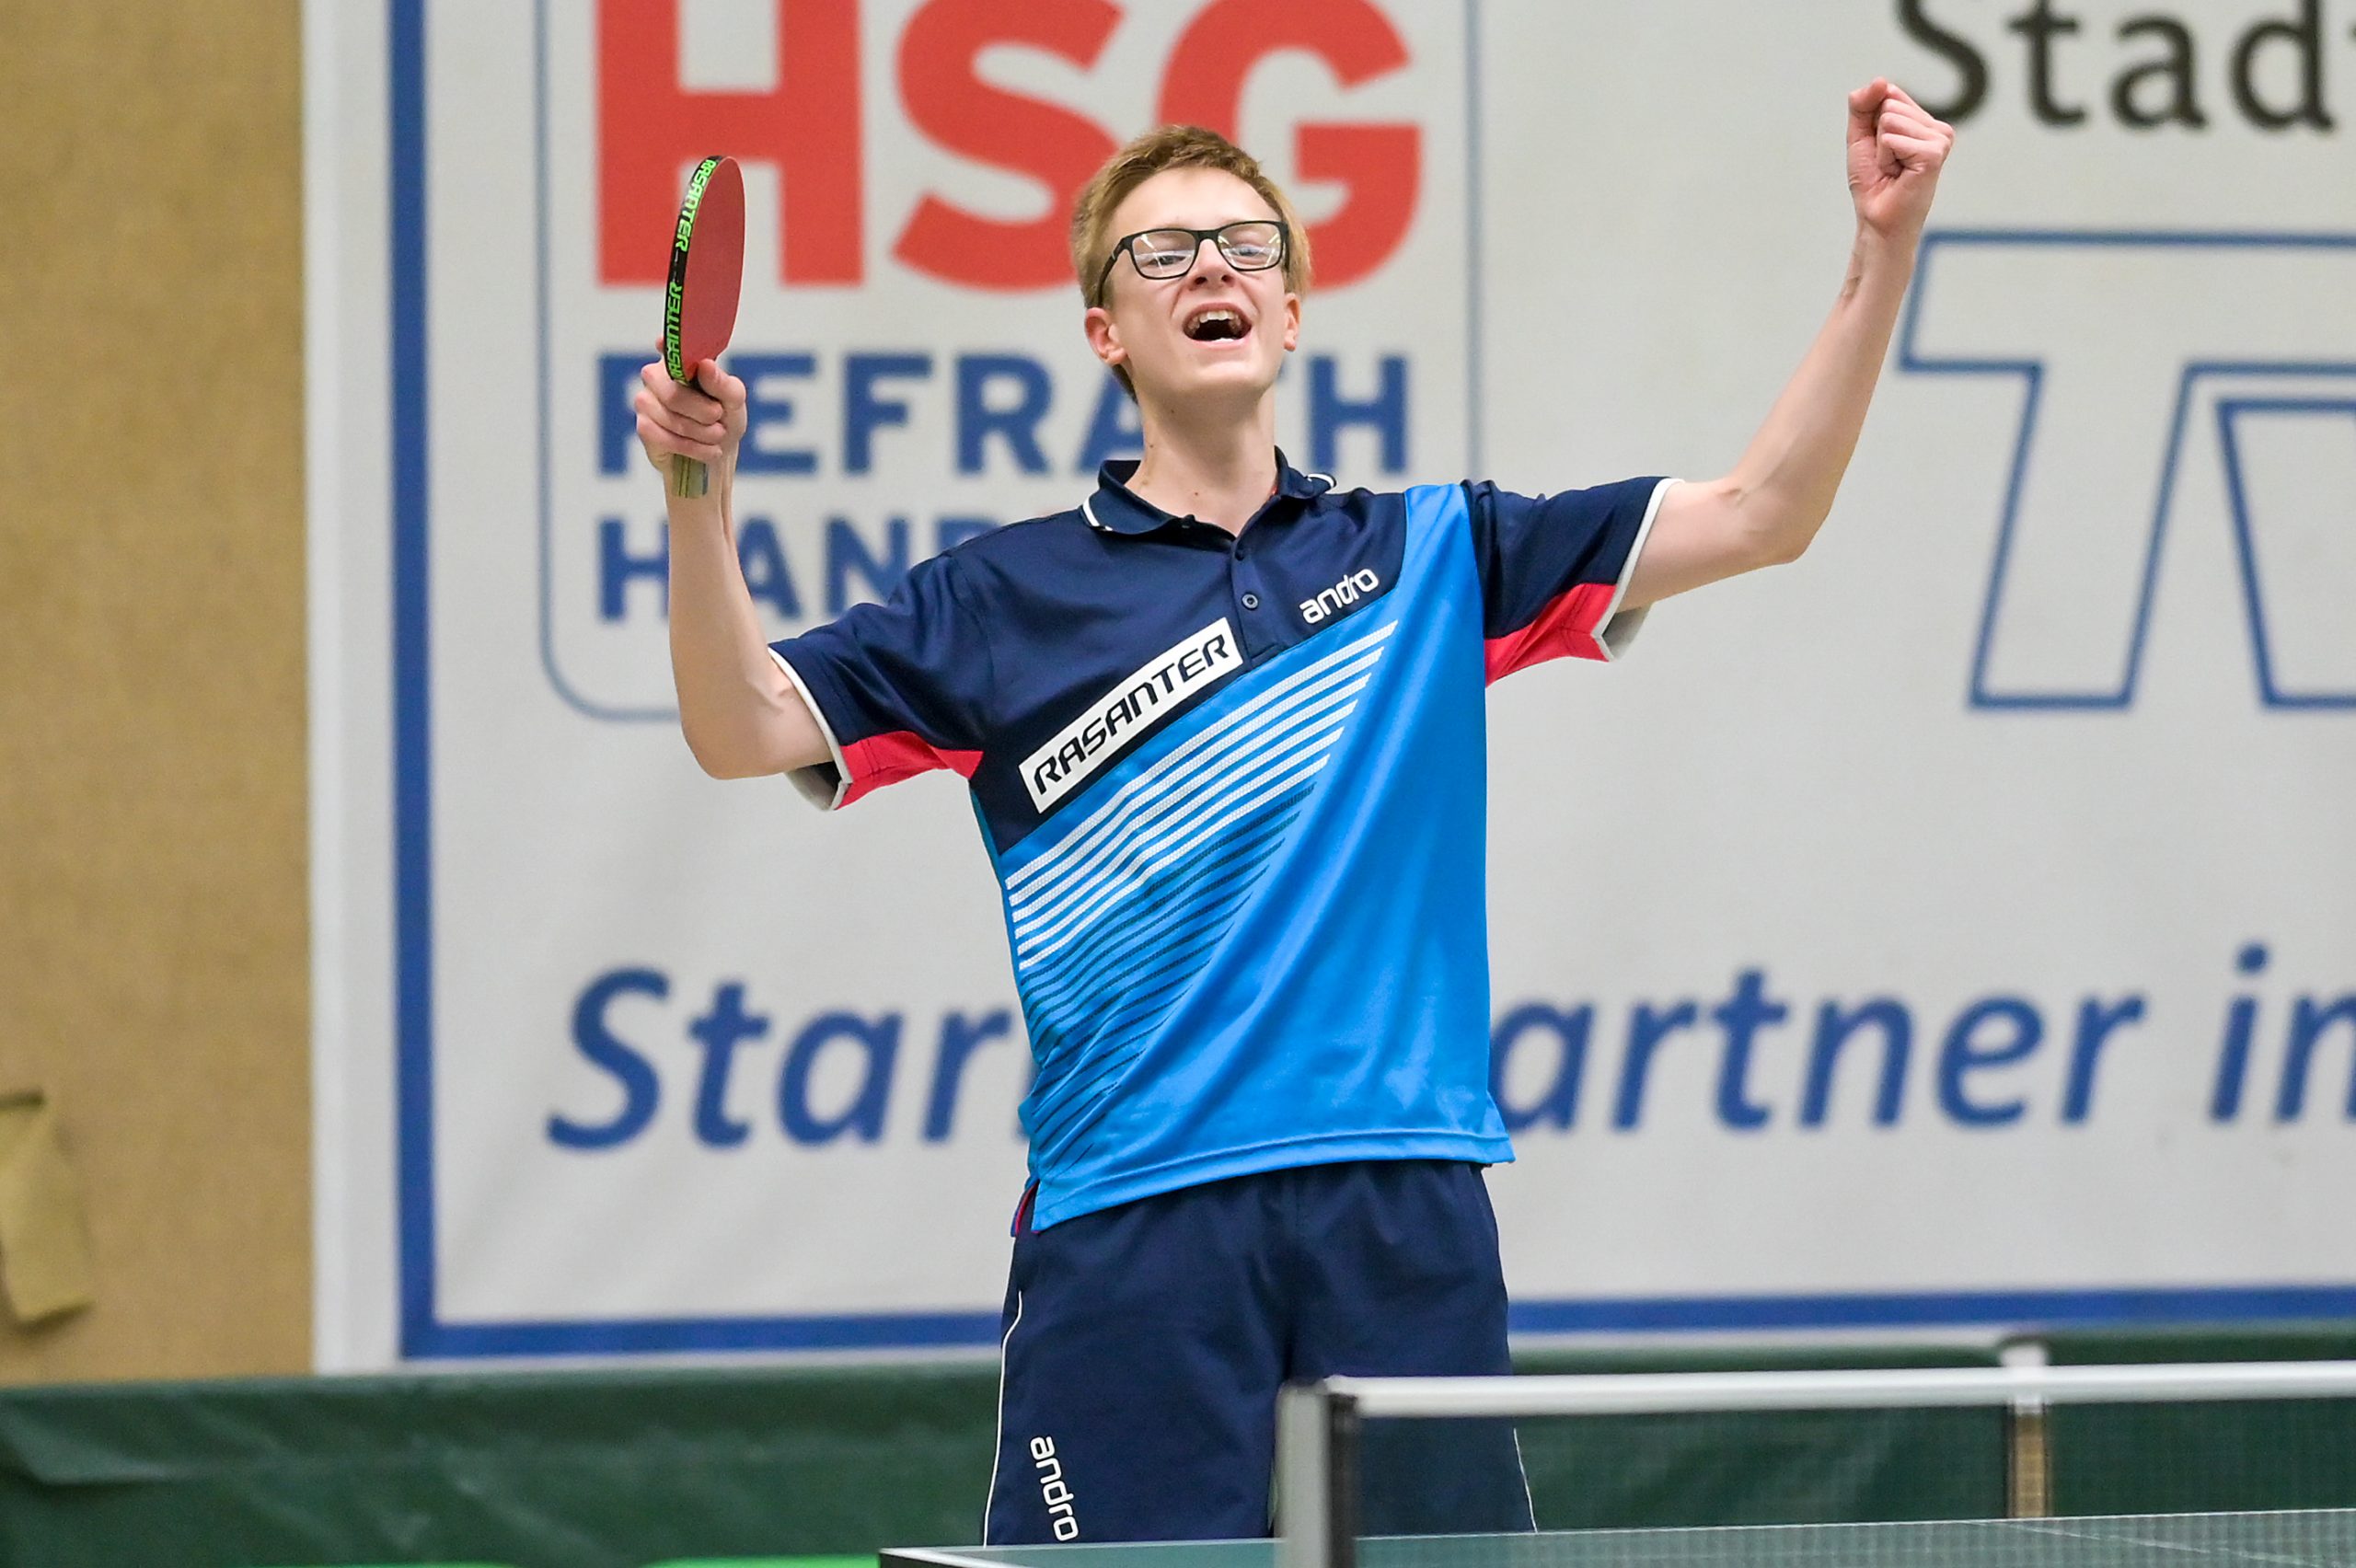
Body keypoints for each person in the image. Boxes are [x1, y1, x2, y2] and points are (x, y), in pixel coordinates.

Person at [633, 81, 1955, 1544]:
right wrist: (698, 490)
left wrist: (1882, 248)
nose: (1212, 267)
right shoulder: (1000, 601)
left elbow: (1767, 511)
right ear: (1105, 332)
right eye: (1162, 252)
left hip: (1398, 1207)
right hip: (1132, 1221)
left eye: (1247, 245)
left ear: (1291, 311)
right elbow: (740, 726)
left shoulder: (1437, 555)